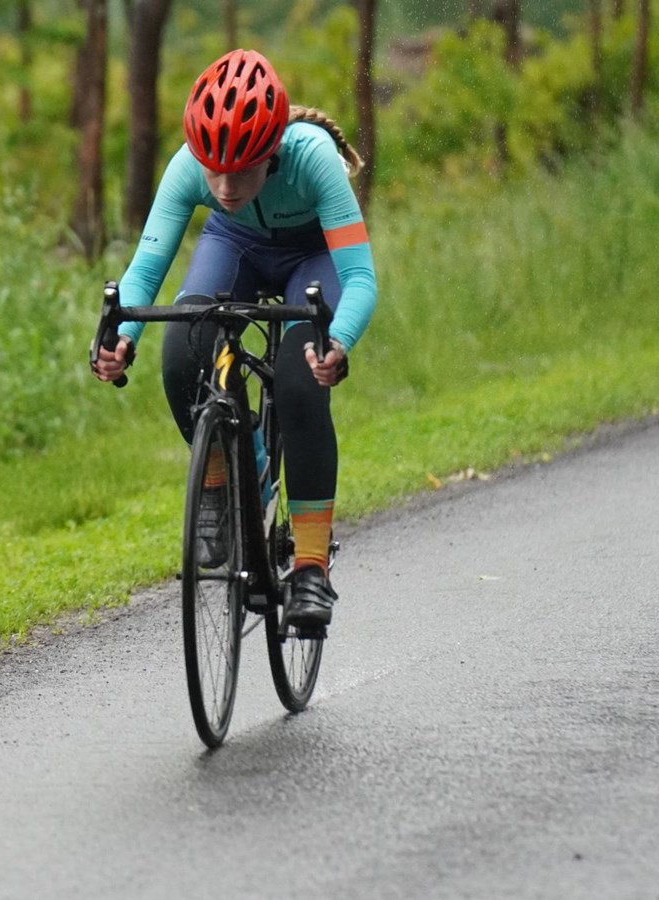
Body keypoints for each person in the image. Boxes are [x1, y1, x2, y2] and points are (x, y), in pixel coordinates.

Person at [90, 48, 376, 629]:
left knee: (299, 382)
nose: (223, 185)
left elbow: (360, 278)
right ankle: (230, 481)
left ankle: (312, 567)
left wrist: (337, 342)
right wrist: (120, 337)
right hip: (235, 248)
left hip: (311, 258)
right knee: (183, 355)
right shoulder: (189, 168)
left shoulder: (313, 159)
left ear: (272, 152)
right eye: (212, 167)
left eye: (242, 169)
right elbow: (145, 273)